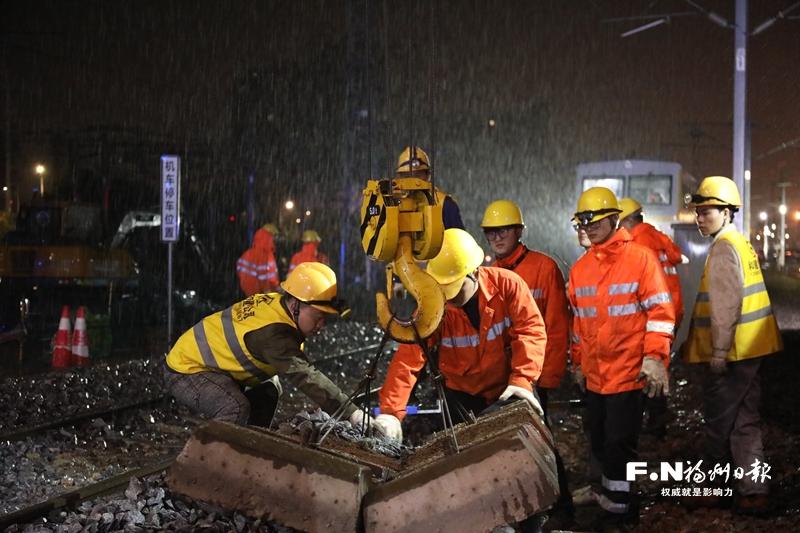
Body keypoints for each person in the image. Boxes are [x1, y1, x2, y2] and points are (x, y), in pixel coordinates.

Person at [375, 228, 548, 531]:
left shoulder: (509, 287)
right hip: (461, 396)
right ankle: (485, 522)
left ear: (475, 273)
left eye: (453, 288)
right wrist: (390, 413)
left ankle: (529, 519)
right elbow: (409, 359)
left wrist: (522, 380)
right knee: (468, 471)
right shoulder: (436, 306)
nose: (448, 297)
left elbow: (530, 331)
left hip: (506, 392)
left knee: (520, 462)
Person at [569, 187, 675, 530]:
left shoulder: (641, 259)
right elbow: (579, 324)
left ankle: (622, 509)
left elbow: (660, 312)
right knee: (599, 438)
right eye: (583, 220)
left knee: (620, 443)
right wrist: (578, 364)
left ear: (614, 218)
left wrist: (655, 358)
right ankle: (609, 498)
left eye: (594, 220)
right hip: (596, 375)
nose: (588, 226)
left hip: (629, 373)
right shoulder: (581, 268)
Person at [165, 262, 376, 431]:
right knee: (235, 407)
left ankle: (251, 444)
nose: (321, 325)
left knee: (270, 386)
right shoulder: (274, 335)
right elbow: (306, 376)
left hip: (210, 364)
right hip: (188, 370)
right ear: (295, 305)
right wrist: (352, 413)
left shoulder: (279, 303)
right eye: (318, 317)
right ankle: (213, 465)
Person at [683, 176, 782, 515]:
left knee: (719, 420)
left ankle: (713, 485)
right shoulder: (739, 242)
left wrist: (719, 352)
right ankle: (755, 491)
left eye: (707, 211)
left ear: (727, 212)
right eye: (698, 212)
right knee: (745, 421)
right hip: (752, 349)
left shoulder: (724, 248)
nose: (700, 218)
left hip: (734, 353)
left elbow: (726, 306)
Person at [480, 199, 574, 523]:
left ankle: (560, 509)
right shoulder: (489, 273)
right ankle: (517, 510)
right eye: (491, 232)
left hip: (530, 376)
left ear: (519, 231)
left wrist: (546, 378)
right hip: (501, 378)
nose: (497, 237)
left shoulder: (544, 268)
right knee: (507, 444)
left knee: (539, 441)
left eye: (503, 230)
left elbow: (556, 326)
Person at [618, 197, 685, 440]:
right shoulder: (657, 236)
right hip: (671, 310)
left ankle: (655, 421)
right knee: (658, 364)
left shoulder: (639, 242)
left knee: (650, 366)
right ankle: (657, 419)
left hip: (654, 314)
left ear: (627, 220)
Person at [395, 146, 465, 230]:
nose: (413, 181)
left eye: (417, 175)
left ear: (428, 175)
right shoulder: (392, 205)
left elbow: (457, 240)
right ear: (399, 178)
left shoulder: (445, 205)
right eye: (407, 176)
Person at [236, 223, 280, 296]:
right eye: (273, 237)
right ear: (268, 238)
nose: (274, 240)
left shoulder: (248, 253)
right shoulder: (263, 255)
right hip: (259, 295)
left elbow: (239, 268)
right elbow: (263, 278)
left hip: (246, 293)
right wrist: (269, 294)